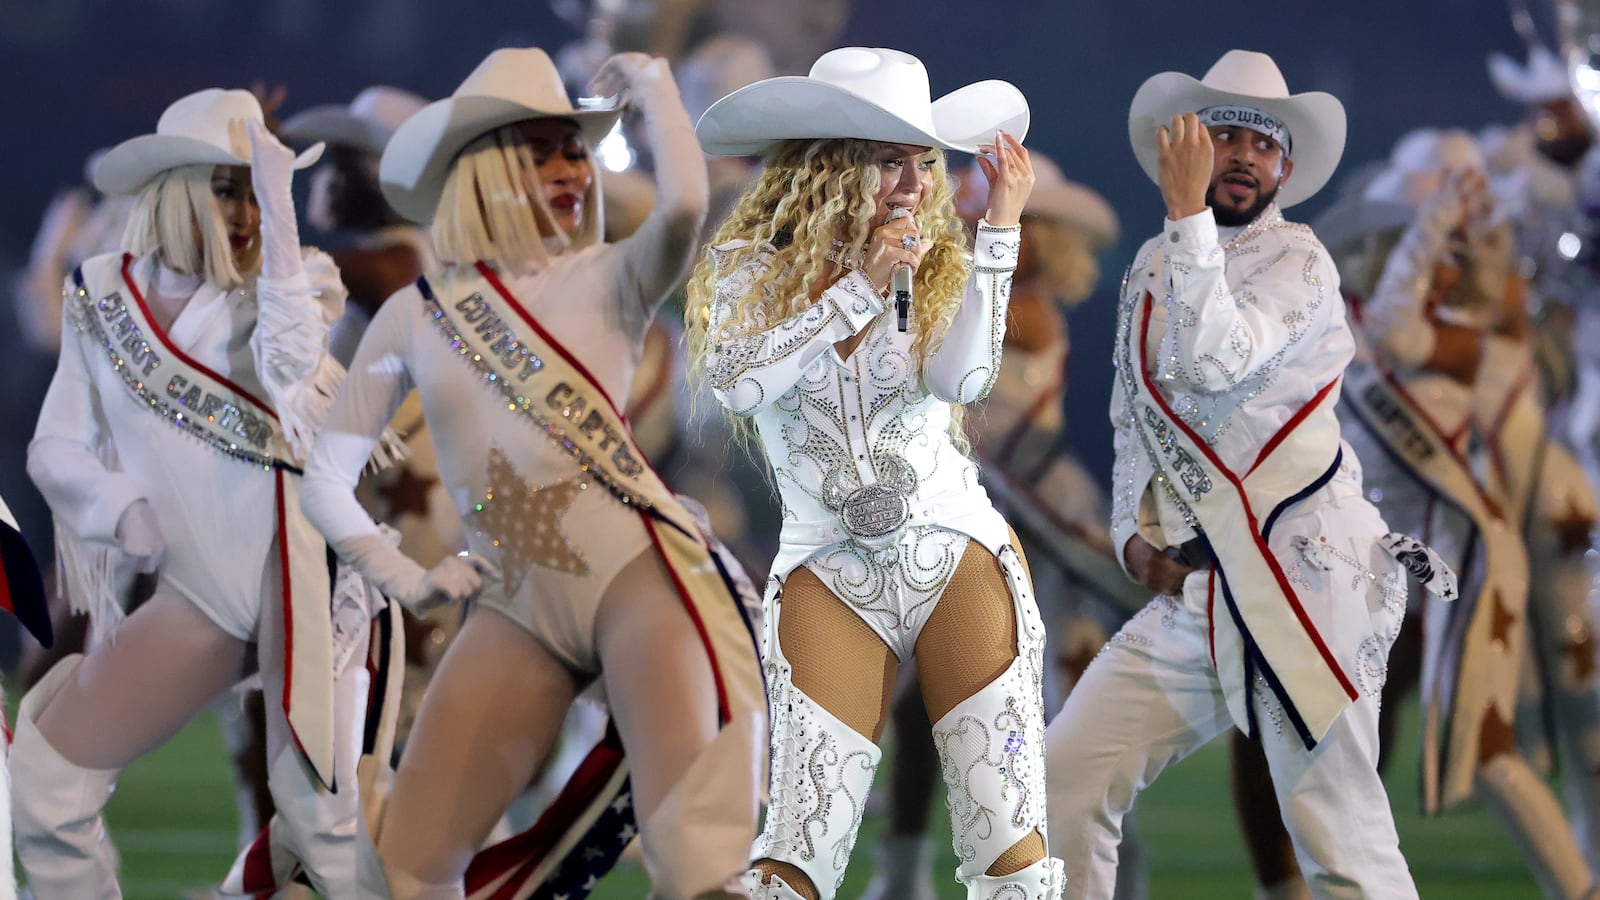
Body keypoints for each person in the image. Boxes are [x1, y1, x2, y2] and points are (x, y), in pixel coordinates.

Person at [300, 46, 765, 899]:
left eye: (574, 148)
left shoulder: (612, 277)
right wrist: (404, 572)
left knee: (699, 865)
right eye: (539, 149)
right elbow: (324, 476)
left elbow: (687, 203)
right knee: (401, 873)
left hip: (643, 583)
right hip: (512, 608)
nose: (567, 169)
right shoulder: (414, 310)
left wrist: (657, 87)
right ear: (479, 170)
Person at [1043, 50, 1437, 900]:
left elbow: (1220, 360)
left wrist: (1185, 216)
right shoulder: (1151, 266)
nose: (1246, 156)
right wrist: (1127, 540)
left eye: (1265, 144)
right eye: (1225, 134)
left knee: (1343, 847)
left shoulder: (1302, 261)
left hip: (1305, 583)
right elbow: (1129, 419)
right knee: (1060, 783)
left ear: (1285, 169)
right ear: (1182, 144)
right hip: (1201, 591)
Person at [689, 46, 1061, 900]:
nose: (913, 181)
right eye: (887, 160)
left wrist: (997, 230)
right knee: (796, 857)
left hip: (955, 551)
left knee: (1009, 852)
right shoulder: (750, 265)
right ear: (828, 166)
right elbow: (739, 382)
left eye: (920, 160)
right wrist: (856, 287)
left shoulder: (934, 261)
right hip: (828, 566)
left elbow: (964, 382)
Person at [16, 87, 398, 898]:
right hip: (200, 598)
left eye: (256, 187)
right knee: (45, 786)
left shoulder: (307, 280)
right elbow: (54, 445)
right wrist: (116, 506)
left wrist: (280, 213)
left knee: (326, 836)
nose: (248, 211)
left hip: (310, 588)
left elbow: (294, 369)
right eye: (228, 186)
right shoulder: (100, 294)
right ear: (177, 185)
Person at [1232, 129, 1600, 900]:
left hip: (1464, 561)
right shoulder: (1341, 321)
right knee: (1289, 712)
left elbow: (1406, 328)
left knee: (1519, 738)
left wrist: (1444, 222)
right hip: (1380, 556)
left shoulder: (1465, 337)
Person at [860, 152, 1145, 900]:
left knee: (1056, 710)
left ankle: (1103, 867)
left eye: (1011, 220)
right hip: (971, 517)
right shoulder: (970, 291)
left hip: (1034, 529)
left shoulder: (1016, 305)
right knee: (925, 701)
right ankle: (903, 870)